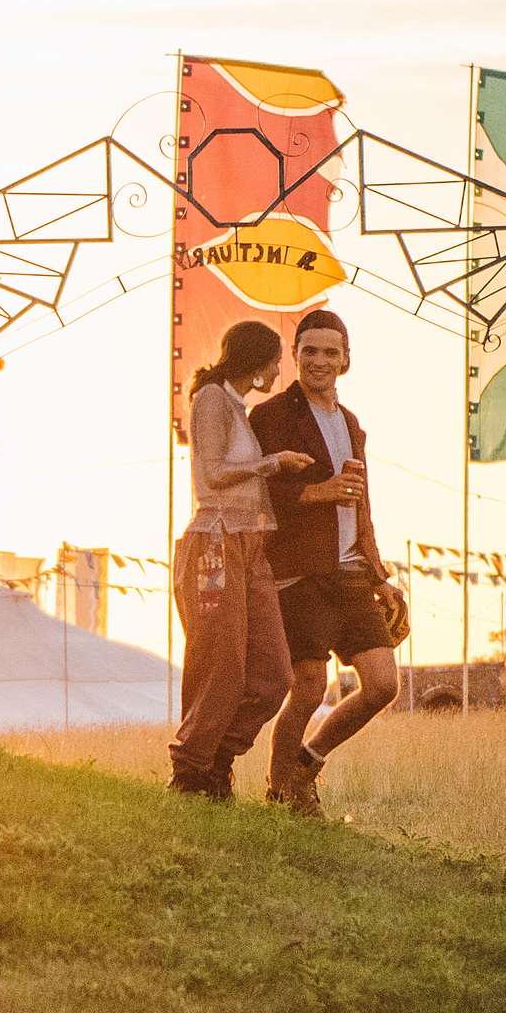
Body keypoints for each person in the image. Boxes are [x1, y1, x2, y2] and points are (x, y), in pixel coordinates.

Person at [249, 308, 402, 816]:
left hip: (352, 572)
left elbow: (361, 504)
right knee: (310, 687)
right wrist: (319, 491)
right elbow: (257, 494)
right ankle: (280, 795)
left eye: (330, 352)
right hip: (299, 573)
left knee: (383, 685)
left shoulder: (351, 423)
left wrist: (380, 576)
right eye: (309, 351)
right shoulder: (270, 416)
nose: (319, 360)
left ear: (345, 359)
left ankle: (306, 762)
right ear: (294, 356)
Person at [169, 320, 316, 799]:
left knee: (274, 673)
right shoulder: (211, 398)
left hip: (252, 546)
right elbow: (211, 475)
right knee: (221, 663)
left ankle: (216, 759)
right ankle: (191, 772)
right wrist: (274, 462)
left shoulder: (236, 406)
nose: (277, 372)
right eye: (274, 362)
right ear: (254, 363)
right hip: (215, 543)